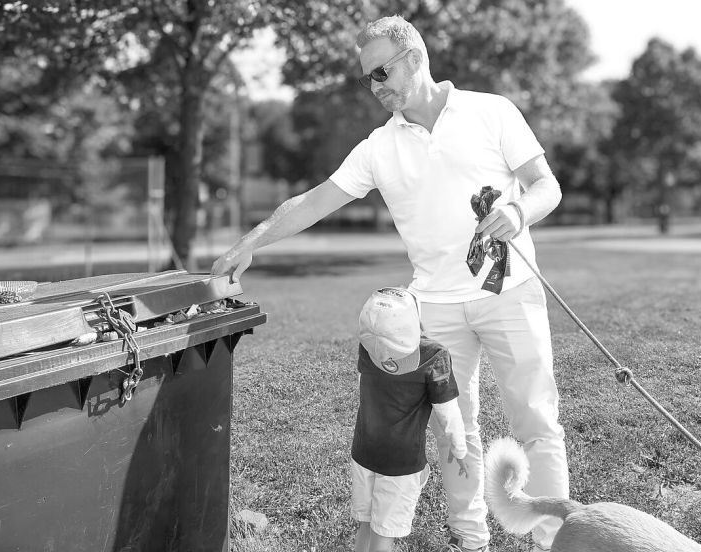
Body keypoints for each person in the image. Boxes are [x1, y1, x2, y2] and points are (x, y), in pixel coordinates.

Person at [212, 14, 568, 552]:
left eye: (381, 73)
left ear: (415, 57)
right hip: (436, 309)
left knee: (538, 423)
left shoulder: (491, 111)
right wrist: (252, 241)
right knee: (457, 433)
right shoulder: (379, 146)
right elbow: (313, 200)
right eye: (367, 79)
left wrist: (519, 213)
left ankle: (553, 541)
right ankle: (472, 541)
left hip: (510, 293)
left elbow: (546, 185)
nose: (375, 88)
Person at [352, 286, 469, 552]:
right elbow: (448, 411)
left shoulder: (368, 346)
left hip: (363, 453)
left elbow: (363, 382)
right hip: (401, 464)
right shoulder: (434, 357)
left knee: (366, 526)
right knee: (384, 533)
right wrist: (459, 449)